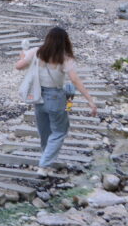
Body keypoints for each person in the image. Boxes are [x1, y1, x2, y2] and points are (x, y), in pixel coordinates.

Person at [14, 27, 98, 175]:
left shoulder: (37, 52)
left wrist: (22, 57)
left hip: (39, 97)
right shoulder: (65, 58)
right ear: (65, 41)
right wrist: (90, 101)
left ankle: (45, 162)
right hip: (56, 98)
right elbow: (74, 80)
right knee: (60, 131)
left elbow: (19, 66)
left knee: (44, 131)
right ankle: (44, 164)